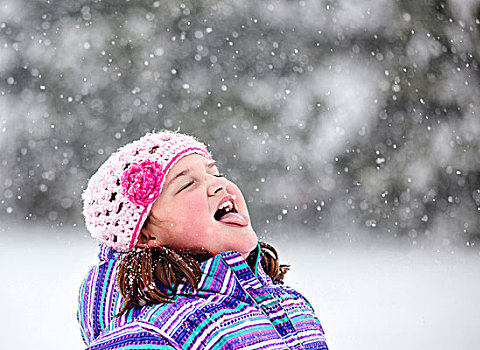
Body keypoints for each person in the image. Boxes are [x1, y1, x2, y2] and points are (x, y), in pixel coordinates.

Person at [77, 130, 328, 349]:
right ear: (145, 235)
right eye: (187, 185)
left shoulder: (293, 305)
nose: (218, 185)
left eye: (215, 173)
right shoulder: (156, 334)